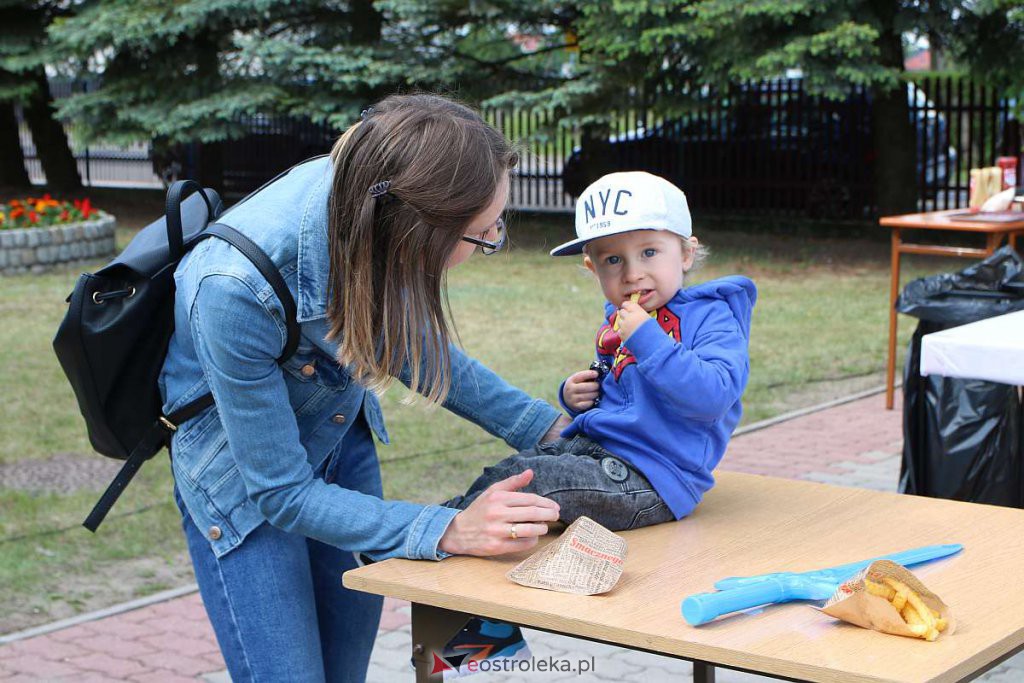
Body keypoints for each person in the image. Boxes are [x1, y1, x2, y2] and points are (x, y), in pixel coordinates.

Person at [158, 93, 570, 682]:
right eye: (481, 234)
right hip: (241, 484)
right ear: (415, 230)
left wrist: (551, 429)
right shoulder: (231, 287)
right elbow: (281, 493)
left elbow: (408, 346)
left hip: (335, 436)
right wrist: (449, 527)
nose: (491, 243)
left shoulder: (376, 199)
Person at [450, 170, 757, 533]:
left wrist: (648, 338)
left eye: (649, 252)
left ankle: (433, 539)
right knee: (505, 474)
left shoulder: (711, 316)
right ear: (591, 267)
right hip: (595, 451)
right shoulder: (620, 317)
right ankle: (435, 533)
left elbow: (714, 397)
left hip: (654, 478)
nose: (632, 273)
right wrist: (576, 395)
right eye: (613, 260)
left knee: (529, 483)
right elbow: (625, 393)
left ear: (686, 253)